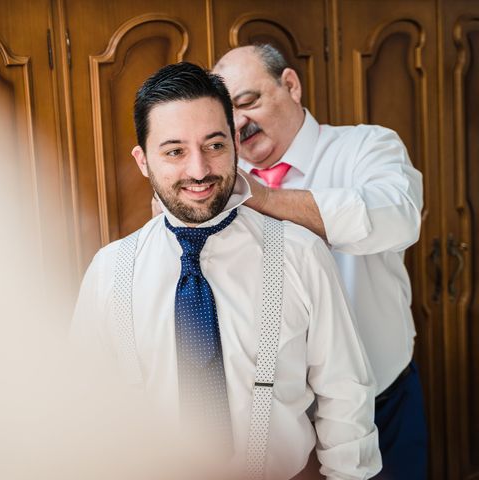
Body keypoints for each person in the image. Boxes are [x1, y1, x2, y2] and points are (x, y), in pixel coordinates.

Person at [71, 62, 381, 479]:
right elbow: (85, 411)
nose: (199, 171)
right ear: (144, 160)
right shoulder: (109, 273)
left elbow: (346, 397)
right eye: (175, 151)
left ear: (235, 142)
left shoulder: (301, 255)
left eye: (214, 145)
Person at [213, 44, 426, 479]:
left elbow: (397, 217)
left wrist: (267, 200)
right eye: (225, 115)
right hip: (283, 430)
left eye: (247, 101)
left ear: (290, 85)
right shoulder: (223, 185)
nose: (238, 124)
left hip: (383, 405)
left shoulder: (366, 146)